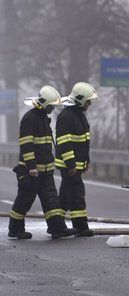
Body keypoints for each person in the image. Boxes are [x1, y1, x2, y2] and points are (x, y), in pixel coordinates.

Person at [8, 86, 77, 239]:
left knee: (51, 201)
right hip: (31, 171)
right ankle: (15, 229)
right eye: (51, 106)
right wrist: (31, 167)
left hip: (45, 171)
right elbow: (26, 144)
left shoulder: (42, 119)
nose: (52, 108)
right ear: (44, 104)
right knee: (24, 201)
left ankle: (57, 229)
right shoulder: (30, 118)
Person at [55, 82, 99, 237]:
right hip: (69, 166)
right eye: (88, 101)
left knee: (66, 196)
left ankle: (55, 224)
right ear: (80, 100)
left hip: (75, 165)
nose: (89, 104)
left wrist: (86, 161)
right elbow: (64, 143)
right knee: (77, 194)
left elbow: (83, 142)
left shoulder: (78, 115)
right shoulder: (66, 117)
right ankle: (81, 227)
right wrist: (71, 165)